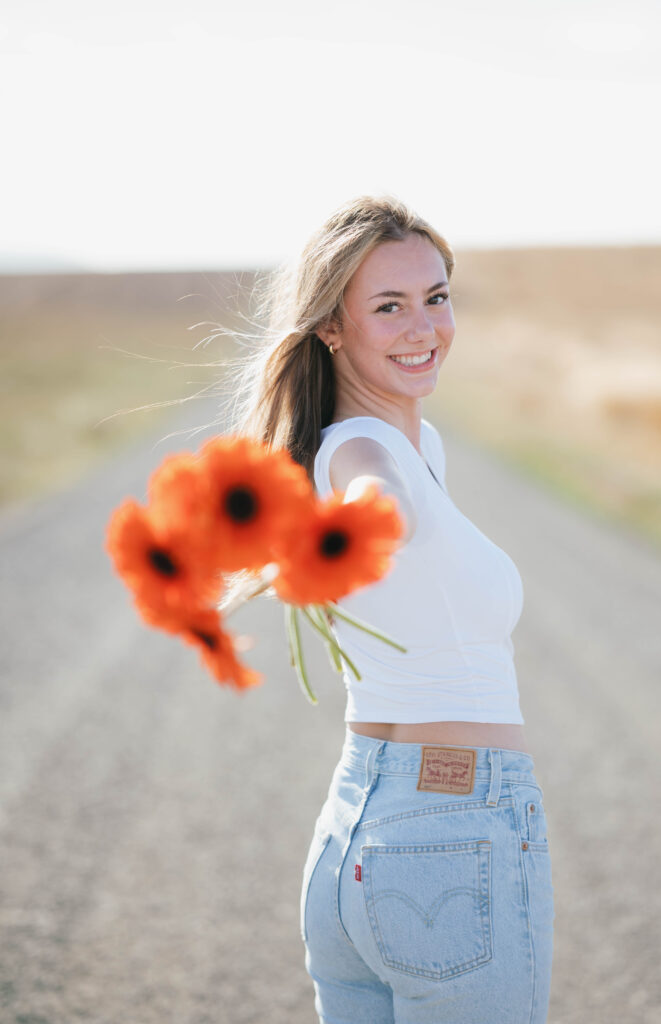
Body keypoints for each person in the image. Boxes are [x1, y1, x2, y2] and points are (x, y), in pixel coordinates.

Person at [231, 195, 555, 1023]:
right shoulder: (366, 451)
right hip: (452, 838)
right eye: (387, 306)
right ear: (330, 329)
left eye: (435, 298)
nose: (423, 327)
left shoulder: (414, 443)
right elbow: (379, 506)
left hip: (359, 833)